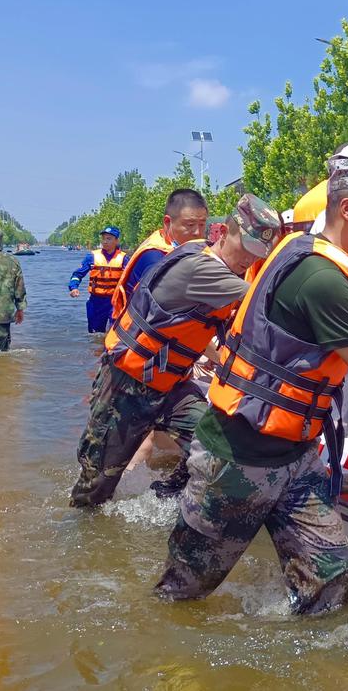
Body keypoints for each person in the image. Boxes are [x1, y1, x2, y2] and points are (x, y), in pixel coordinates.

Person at [154, 156, 348, 613]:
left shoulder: (305, 250)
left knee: (329, 572)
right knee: (183, 591)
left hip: (296, 455)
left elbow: (316, 332)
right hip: (238, 454)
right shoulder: (323, 276)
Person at [70, 194, 281, 508]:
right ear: (223, 232)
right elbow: (271, 305)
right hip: (127, 387)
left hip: (171, 386)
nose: (250, 261)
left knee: (216, 443)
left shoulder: (216, 265)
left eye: (257, 254)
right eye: (246, 249)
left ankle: (166, 497)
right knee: (93, 494)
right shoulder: (203, 268)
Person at [110, 189, 209, 321]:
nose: (197, 232)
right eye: (190, 225)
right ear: (167, 222)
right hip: (134, 336)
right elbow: (163, 310)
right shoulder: (155, 258)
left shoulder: (188, 249)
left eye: (202, 224)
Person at [68, 226, 128, 332]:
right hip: (96, 301)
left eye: (109, 238)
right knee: (95, 334)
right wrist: (73, 288)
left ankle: (109, 348)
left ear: (117, 240)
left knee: (115, 333)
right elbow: (77, 275)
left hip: (115, 301)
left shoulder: (124, 259)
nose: (105, 241)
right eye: (103, 238)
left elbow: (133, 279)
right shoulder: (91, 257)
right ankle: (95, 348)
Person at [0, 230, 26, 351]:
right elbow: (19, 288)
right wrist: (20, 309)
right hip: (3, 314)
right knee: (4, 354)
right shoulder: (12, 261)